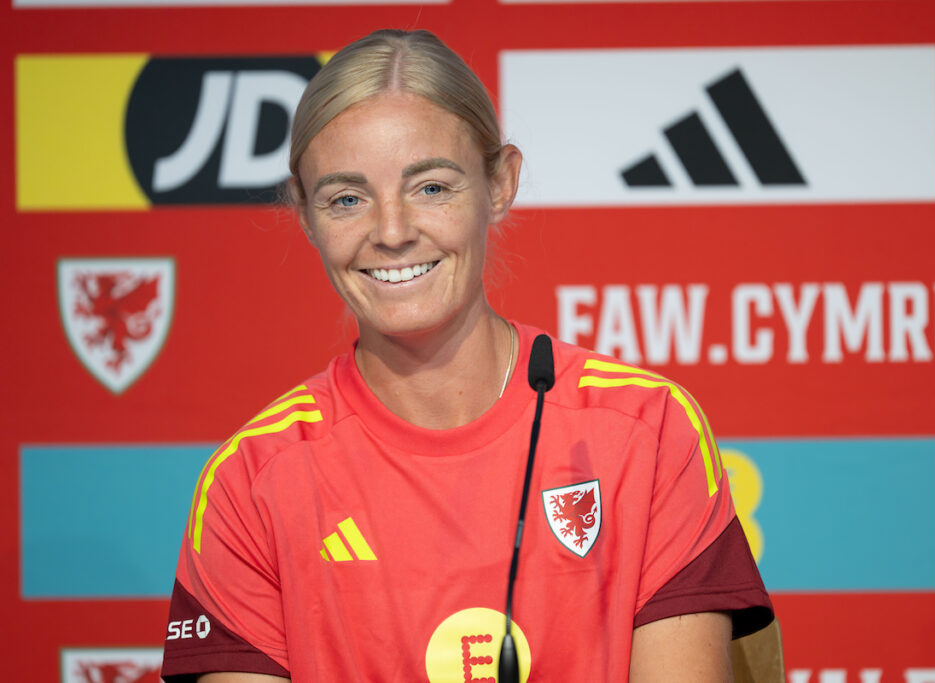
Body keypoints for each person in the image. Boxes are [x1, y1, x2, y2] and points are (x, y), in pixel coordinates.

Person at [161, 28, 773, 683]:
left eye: (431, 188)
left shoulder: (646, 429)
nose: (392, 232)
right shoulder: (251, 481)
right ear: (306, 215)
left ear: (500, 183)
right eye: (347, 199)